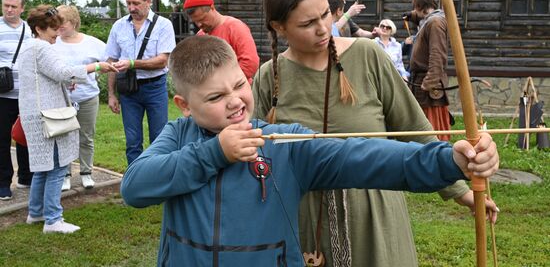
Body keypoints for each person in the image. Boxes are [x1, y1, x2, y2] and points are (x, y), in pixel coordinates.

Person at [120, 35, 499, 266]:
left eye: (239, 85)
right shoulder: (179, 136)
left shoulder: (285, 143)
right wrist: (215, 153)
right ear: (185, 104)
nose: (236, 101)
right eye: (217, 97)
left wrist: (450, 159)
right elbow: (135, 187)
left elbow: (366, 158)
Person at [253, 0, 499, 267]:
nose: (322, 28)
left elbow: (414, 128)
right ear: (279, 26)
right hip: (303, 221)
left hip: (373, 216)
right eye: (307, 23)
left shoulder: (367, 55)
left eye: (325, 15)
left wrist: (461, 190)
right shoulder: (269, 77)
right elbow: (253, 155)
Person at [18, 5, 117, 233]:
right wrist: (96, 66)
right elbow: (63, 72)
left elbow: (47, 78)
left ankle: (36, 212)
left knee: (42, 167)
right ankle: (53, 219)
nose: (57, 34)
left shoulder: (29, 47)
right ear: (40, 28)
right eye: (53, 29)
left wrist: (64, 81)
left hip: (36, 115)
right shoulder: (42, 48)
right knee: (56, 166)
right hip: (49, 116)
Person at [105, 0, 176, 165]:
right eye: (128, 3)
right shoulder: (119, 26)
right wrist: (111, 94)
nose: (131, 7)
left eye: (136, 3)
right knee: (132, 141)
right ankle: (136, 184)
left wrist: (131, 63)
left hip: (155, 87)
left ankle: (158, 179)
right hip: (128, 89)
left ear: (148, 1)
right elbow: (111, 61)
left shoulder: (163, 25)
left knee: (159, 139)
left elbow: (162, 61)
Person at [53, 5, 107, 191]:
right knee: (64, 136)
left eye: (63, 22)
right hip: (61, 98)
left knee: (86, 136)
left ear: (74, 22)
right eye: (56, 22)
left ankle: (86, 173)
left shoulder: (93, 43)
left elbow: (108, 61)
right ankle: (65, 175)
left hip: (87, 97)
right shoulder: (53, 42)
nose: (58, 26)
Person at [183, 0, 259, 83]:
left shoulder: (235, 27)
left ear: (212, 7)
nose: (199, 25)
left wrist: (222, 84)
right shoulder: (200, 36)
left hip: (236, 92)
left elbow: (250, 63)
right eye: (195, 21)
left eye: (202, 19)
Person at [0, 0, 33, 200]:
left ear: (22, 8)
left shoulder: (30, 30)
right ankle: (3, 182)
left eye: (13, 6)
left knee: (26, 136)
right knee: (2, 139)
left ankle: (26, 176)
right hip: (2, 95)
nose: (9, 10)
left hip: (27, 93)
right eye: (5, 6)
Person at [408, 0, 451, 141]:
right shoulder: (429, 20)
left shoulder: (435, 22)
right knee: (422, 133)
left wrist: (430, 82)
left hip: (429, 86)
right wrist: (411, 16)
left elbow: (437, 54)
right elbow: (419, 19)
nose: (414, 11)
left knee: (432, 134)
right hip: (421, 81)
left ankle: (437, 162)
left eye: (415, 7)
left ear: (420, 6)